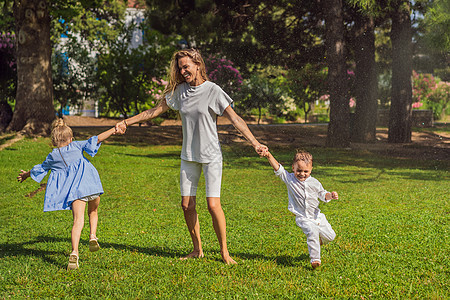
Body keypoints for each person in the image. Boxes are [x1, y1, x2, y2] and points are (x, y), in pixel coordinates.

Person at [115, 48, 267, 264]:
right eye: (180, 68)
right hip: (189, 156)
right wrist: (126, 122)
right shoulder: (180, 92)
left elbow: (236, 119)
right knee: (186, 204)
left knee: (213, 206)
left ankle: (224, 251)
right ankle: (197, 249)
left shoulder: (213, 91)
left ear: (198, 64)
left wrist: (255, 143)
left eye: (186, 66)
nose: (183, 71)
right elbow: (154, 111)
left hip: (211, 156)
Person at [17, 118, 117, 270]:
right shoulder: (76, 146)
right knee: (94, 211)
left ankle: (75, 252)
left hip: (76, 193)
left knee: (78, 221)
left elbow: (39, 169)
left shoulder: (52, 156)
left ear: (53, 142)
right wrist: (114, 129)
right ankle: (92, 236)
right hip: (92, 187)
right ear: (71, 139)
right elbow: (96, 139)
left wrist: (26, 175)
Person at [262, 149, 339, 269]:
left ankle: (318, 242)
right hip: (303, 218)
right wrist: (268, 155)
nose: (302, 174)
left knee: (331, 236)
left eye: (305, 171)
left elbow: (323, 194)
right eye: (299, 170)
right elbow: (278, 168)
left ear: (311, 170)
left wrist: (330, 195)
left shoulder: (314, 182)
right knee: (312, 232)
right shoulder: (290, 179)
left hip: (317, 216)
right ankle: (315, 259)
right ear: (293, 168)